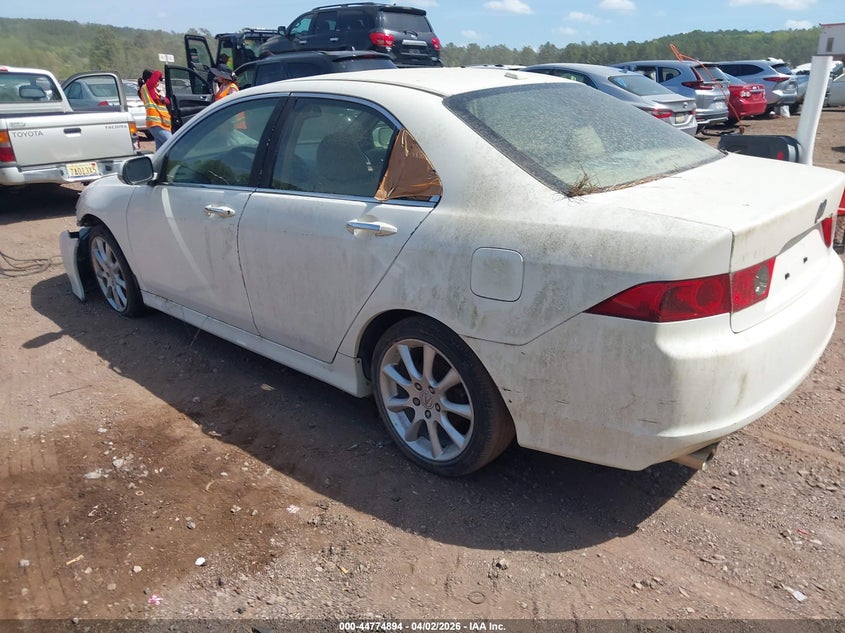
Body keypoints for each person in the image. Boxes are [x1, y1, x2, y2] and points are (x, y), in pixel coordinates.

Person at [138, 69, 172, 150]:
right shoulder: (146, 87)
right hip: (156, 124)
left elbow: (167, 101)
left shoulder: (155, 91)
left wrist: (163, 99)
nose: (159, 81)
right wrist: (160, 75)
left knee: (161, 151)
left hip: (163, 124)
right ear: (149, 80)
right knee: (172, 145)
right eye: (157, 80)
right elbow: (157, 73)